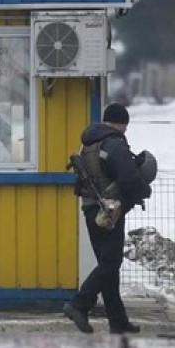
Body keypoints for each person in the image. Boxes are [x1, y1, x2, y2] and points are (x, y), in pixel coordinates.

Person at [63, 102, 154, 335]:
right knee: (111, 263)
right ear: (122, 123)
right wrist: (144, 191)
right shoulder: (114, 143)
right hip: (109, 209)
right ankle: (79, 304)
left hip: (91, 208)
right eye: (125, 126)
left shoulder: (90, 143)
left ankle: (118, 321)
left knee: (108, 265)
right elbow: (128, 177)